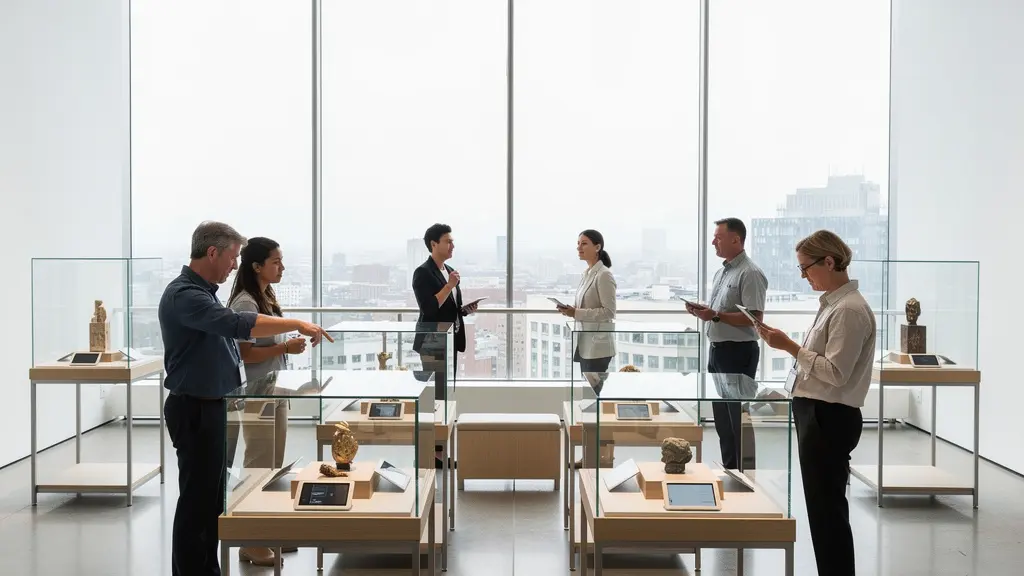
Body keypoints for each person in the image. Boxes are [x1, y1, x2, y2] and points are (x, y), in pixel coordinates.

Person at [160, 221, 332, 576]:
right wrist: (296, 325)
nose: (234, 266)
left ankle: (208, 568)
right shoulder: (186, 295)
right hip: (195, 408)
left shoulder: (203, 292)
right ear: (212, 253)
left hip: (211, 406)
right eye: (232, 257)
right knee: (197, 503)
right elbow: (239, 324)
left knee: (210, 502)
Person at [757, 230, 874, 576]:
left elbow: (836, 373)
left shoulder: (849, 310)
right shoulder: (834, 305)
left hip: (829, 416)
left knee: (828, 513)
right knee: (823, 511)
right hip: (817, 413)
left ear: (829, 261)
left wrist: (789, 346)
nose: (803, 275)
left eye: (805, 268)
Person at [226, 237, 306, 567]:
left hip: (273, 388)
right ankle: (250, 539)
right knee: (258, 462)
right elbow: (245, 352)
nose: (282, 267)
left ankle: (266, 529)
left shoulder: (265, 296)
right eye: (276, 261)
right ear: (257, 266)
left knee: (273, 464)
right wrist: (284, 349)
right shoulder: (246, 303)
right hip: (256, 391)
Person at [686, 217, 767, 471]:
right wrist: (706, 313)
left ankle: (745, 475)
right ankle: (730, 469)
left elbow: (755, 318)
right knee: (723, 419)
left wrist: (716, 316)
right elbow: (718, 311)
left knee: (738, 419)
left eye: (718, 237)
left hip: (738, 352)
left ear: (736, 239)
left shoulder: (750, 273)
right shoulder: (722, 272)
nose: (713, 242)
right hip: (718, 351)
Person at [411, 223, 478, 467]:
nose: (452, 246)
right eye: (448, 241)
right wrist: (449, 285)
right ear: (433, 245)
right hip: (432, 342)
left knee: (445, 395)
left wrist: (464, 310)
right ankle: (433, 453)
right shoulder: (423, 273)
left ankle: (438, 450)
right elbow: (429, 308)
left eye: (452, 241)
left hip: (449, 341)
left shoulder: (448, 270)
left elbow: (448, 307)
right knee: (435, 396)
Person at [557, 229, 616, 467]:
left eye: (584, 243)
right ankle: (593, 455)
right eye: (578, 244)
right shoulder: (588, 273)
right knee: (589, 402)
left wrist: (577, 313)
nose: (579, 248)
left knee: (595, 403)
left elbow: (609, 312)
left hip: (598, 347)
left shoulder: (604, 275)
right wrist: (571, 310)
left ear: (598, 246)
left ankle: (599, 457)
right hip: (585, 343)